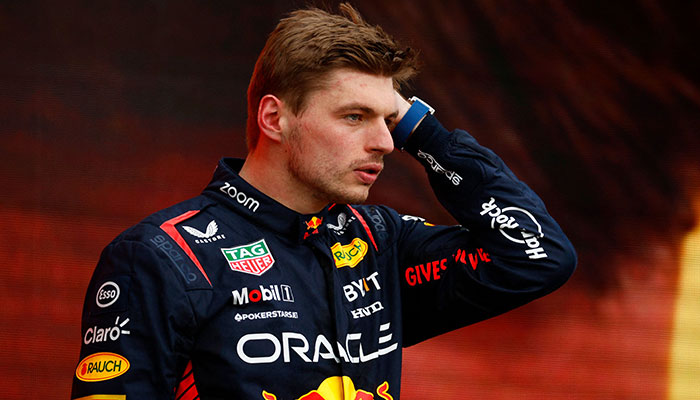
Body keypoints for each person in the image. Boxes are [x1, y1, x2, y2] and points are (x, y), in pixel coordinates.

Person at [72, 3, 576, 399]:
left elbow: (536, 257)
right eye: (355, 116)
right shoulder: (161, 257)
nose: (384, 141)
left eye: (389, 119)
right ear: (275, 119)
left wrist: (424, 131)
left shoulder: (379, 243)